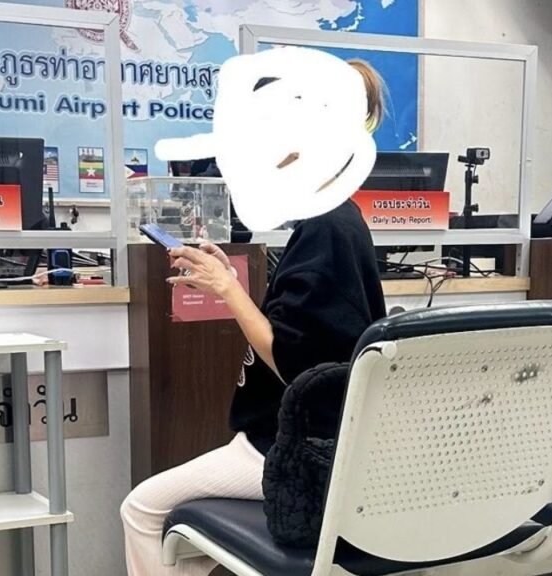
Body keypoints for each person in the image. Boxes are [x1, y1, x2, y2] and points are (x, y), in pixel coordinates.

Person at [120, 59, 388, 576]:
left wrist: (228, 291)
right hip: (308, 436)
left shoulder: (327, 227)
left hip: (289, 445)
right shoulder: (333, 220)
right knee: (189, 545)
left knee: (144, 510)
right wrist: (231, 283)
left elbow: (296, 363)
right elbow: (305, 326)